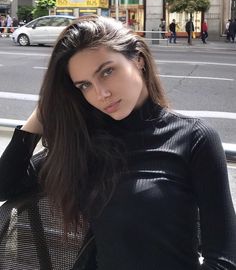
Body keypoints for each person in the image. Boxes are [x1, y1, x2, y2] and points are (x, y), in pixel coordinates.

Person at [0, 15, 236, 270]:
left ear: (139, 60)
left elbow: (224, 259)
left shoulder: (194, 138)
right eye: (84, 85)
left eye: (107, 71)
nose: (101, 94)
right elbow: (6, 186)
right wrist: (45, 110)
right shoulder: (86, 143)